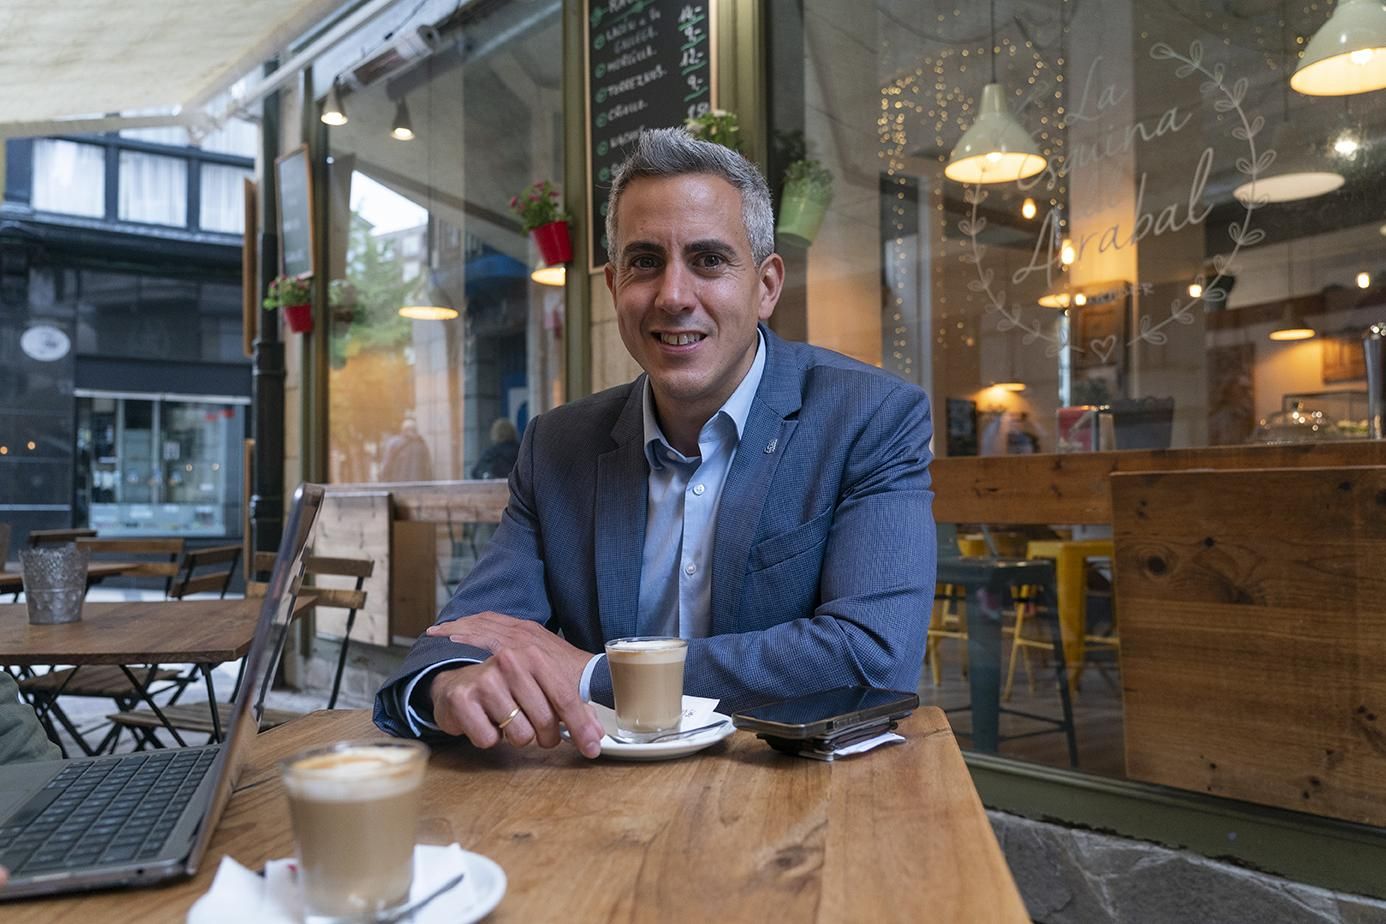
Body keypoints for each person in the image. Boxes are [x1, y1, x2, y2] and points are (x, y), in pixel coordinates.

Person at [373, 128, 936, 758]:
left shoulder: (869, 416)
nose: (672, 295)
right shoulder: (558, 446)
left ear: (767, 286)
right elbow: (465, 632)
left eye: (709, 260)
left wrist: (590, 675)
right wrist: (452, 683)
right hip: (600, 802)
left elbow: (872, 658)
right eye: (645, 262)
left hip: (792, 801)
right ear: (614, 286)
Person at [379, 417, 433, 482]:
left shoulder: (394, 443)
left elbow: (386, 466)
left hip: (399, 486)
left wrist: (384, 480)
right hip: (418, 486)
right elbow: (428, 469)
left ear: (402, 429)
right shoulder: (421, 445)